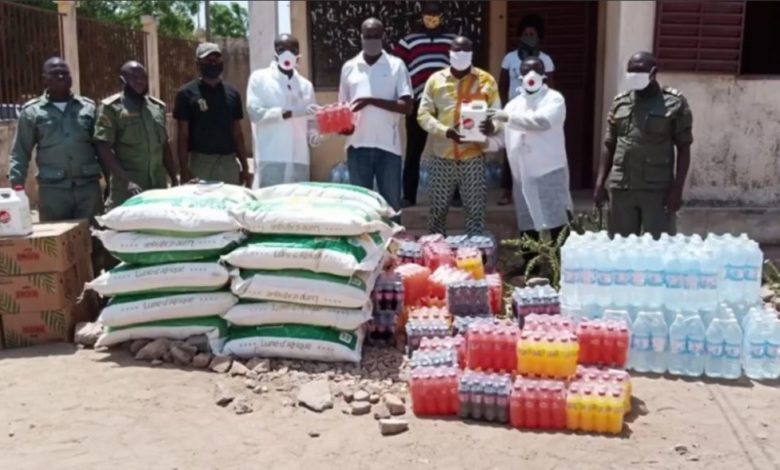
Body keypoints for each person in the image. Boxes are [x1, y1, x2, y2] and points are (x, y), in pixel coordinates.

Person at [594, 51, 693, 239]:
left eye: (639, 70)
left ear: (653, 72)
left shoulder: (673, 103)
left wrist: (677, 188)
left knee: (660, 249)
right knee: (620, 249)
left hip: (657, 189)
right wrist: (600, 182)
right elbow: (609, 144)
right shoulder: (620, 102)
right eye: (630, 70)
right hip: (622, 187)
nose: (633, 74)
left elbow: (684, 148)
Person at [417, 36, 501, 236]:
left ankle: (473, 258)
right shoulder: (435, 80)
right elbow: (423, 114)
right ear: (449, 53)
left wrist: (492, 126)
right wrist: (446, 131)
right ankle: (438, 258)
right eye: (457, 50)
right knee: (437, 213)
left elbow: (498, 114)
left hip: (472, 156)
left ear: (472, 53)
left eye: (465, 50)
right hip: (441, 157)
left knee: (475, 213)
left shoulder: (486, 81)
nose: (461, 54)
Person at [8, 57, 104, 222]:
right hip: (53, 191)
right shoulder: (32, 112)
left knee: (95, 238)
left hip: (87, 188)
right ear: (45, 78)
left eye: (64, 73)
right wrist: (17, 184)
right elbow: (20, 151)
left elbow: (102, 148)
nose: (61, 77)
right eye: (55, 73)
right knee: (55, 243)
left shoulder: (88, 108)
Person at [490, 57, 571, 242]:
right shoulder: (513, 105)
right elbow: (503, 138)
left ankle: (558, 267)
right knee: (527, 223)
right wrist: (483, 142)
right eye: (526, 70)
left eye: (535, 69)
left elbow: (542, 122)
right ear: (520, 75)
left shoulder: (554, 99)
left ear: (544, 74)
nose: (531, 74)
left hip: (549, 172)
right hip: (523, 175)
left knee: (556, 221)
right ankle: (529, 264)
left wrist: (508, 118)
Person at [338, 18, 413, 214]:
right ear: (360, 37)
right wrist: (343, 126)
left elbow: (407, 106)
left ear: (383, 37)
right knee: (361, 209)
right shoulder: (349, 67)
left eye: (376, 36)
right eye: (367, 36)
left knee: (391, 210)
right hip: (357, 146)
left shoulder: (397, 66)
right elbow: (343, 108)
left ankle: (392, 245)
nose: (371, 39)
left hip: (388, 148)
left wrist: (371, 101)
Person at [394, 1, 457, 208]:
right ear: (421, 16)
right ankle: (409, 195)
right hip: (418, 101)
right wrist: (405, 96)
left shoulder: (452, 39)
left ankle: (455, 194)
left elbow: (460, 67)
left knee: (451, 146)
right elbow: (397, 68)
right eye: (428, 14)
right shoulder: (409, 41)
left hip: (446, 102)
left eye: (435, 14)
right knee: (414, 148)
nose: (431, 18)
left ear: (442, 16)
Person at [94, 61, 178, 208]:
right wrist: (127, 180)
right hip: (128, 188)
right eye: (134, 77)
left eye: (143, 77)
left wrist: (174, 177)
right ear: (122, 80)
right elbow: (103, 147)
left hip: (157, 185)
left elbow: (164, 146)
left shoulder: (157, 107)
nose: (140, 81)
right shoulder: (112, 108)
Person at [246, 34, 319, 188]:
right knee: (270, 205)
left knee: (297, 205)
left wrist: (315, 134)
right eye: (282, 49)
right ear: (275, 53)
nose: (288, 54)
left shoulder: (305, 85)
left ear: (298, 54)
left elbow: (311, 119)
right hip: (271, 157)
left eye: (292, 50)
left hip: (299, 159)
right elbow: (254, 112)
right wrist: (287, 113)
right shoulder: (260, 79)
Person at [498, 14, 556, 206]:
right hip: (514, 112)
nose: (529, 36)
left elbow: (551, 88)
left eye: (532, 33)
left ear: (539, 36)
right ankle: (507, 191)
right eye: (525, 33)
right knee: (511, 151)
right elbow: (502, 84)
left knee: (535, 152)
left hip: (536, 113)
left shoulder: (545, 60)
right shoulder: (510, 58)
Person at [174, 42, 250, 187]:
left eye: (217, 60)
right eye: (208, 60)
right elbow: (182, 136)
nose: (213, 63)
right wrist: (184, 169)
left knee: (230, 207)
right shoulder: (186, 93)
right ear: (198, 63)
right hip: (201, 163)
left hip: (228, 163)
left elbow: (237, 134)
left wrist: (245, 167)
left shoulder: (232, 93)